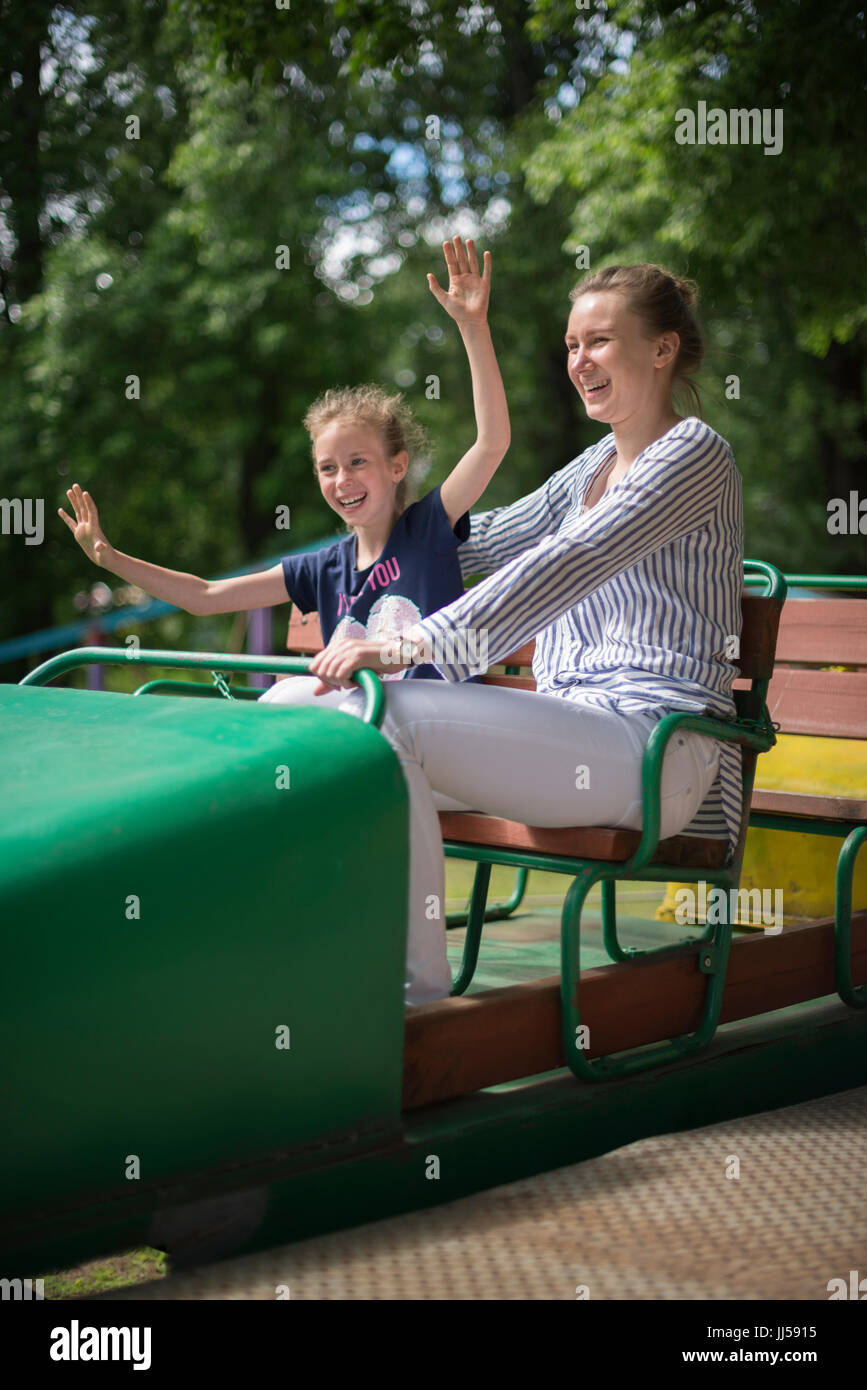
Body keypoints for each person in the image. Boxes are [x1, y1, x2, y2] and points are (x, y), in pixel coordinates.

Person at [307, 263, 745, 1006]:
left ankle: (410, 1002)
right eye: (571, 343)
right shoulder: (591, 467)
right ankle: (311, 968)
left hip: (653, 749)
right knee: (299, 714)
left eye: (599, 341)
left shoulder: (693, 453)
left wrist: (411, 645)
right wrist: (372, 517)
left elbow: (576, 556)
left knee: (383, 717)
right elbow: (474, 546)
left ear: (662, 349)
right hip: (577, 732)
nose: (578, 360)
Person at [57, 237, 510, 702]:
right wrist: (110, 558)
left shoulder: (428, 527)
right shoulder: (324, 568)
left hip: (440, 715)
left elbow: (492, 443)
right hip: (369, 725)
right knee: (283, 697)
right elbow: (206, 597)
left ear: (397, 466)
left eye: (358, 463)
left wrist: (473, 326)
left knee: (285, 697)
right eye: (328, 468)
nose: (342, 480)